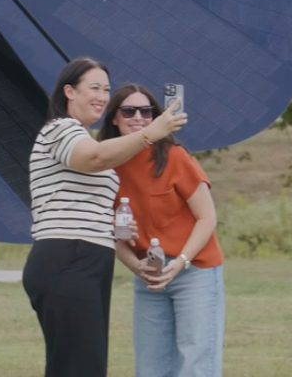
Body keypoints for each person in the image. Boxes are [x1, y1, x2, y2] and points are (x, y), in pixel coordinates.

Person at [22, 58, 188, 377]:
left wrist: (113, 226)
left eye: (106, 90)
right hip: (67, 255)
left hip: (89, 258)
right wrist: (150, 132)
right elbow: (94, 158)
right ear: (69, 91)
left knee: (78, 365)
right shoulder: (60, 129)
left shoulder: (80, 135)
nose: (101, 96)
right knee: (81, 366)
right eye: (94, 88)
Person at [100, 84, 224, 377]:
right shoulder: (104, 165)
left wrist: (181, 262)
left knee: (197, 364)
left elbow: (207, 218)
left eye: (147, 111)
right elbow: (111, 234)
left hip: (195, 272)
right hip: (149, 275)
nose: (139, 117)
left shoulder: (175, 156)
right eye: (129, 110)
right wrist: (137, 266)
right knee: (150, 367)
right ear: (114, 118)